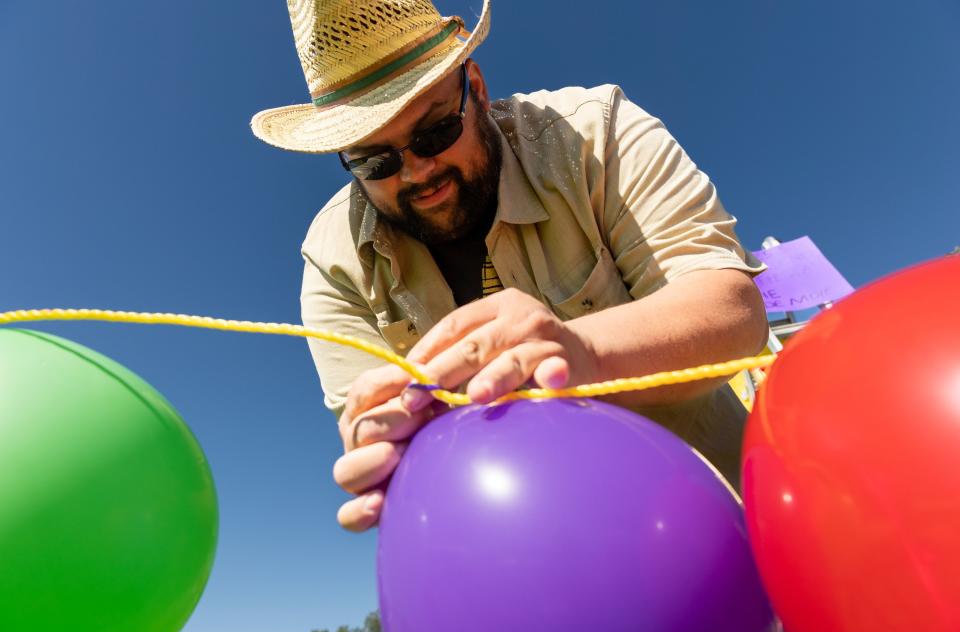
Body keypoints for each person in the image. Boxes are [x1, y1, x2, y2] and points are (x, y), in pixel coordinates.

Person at [251, 0, 768, 532]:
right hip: (522, 569)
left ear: (476, 86)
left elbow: (732, 311)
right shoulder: (332, 260)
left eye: (433, 133)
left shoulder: (595, 130)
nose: (416, 171)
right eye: (374, 160)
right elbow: (377, 431)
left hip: (726, 522)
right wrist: (386, 453)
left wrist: (584, 353)